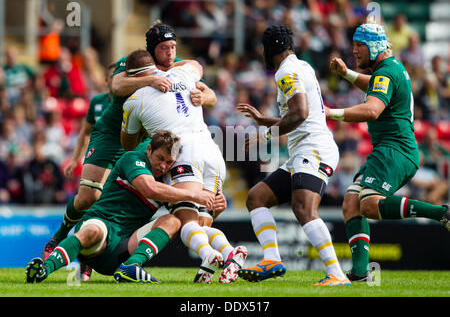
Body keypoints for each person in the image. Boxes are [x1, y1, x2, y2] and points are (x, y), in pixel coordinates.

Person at [39, 22, 210, 268]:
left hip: (143, 137)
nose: (170, 52)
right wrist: (149, 81)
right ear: (151, 48)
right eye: (164, 47)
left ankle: (101, 250)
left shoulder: (177, 65)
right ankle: (61, 234)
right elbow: (117, 86)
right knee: (89, 196)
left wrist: (203, 96)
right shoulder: (133, 61)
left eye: (172, 47)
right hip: (111, 133)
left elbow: (205, 84)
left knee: (150, 189)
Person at [326, 21, 450, 282]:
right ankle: (360, 273)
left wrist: (330, 113)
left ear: (375, 47)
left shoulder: (386, 72)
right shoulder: (388, 70)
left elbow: (372, 109)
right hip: (390, 150)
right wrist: (348, 73)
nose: (355, 50)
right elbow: (374, 85)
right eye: (354, 45)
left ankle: (442, 214)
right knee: (351, 204)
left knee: (369, 205)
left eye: (360, 45)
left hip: (395, 150)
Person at [121, 50, 247, 284]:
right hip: (213, 150)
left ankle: (212, 255)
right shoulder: (184, 73)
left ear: (131, 75)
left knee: (184, 220)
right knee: (201, 222)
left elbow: (127, 143)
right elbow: (197, 64)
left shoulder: (135, 100)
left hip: (184, 152)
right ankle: (230, 254)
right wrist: (204, 92)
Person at [236, 25, 349, 286]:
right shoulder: (302, 66)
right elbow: (301, 113)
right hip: (305, 148)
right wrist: (267, 121)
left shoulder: (286, 72)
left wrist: (264, 136)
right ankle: (272, 258)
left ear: (270, 49)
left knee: (304, 208)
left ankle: (336, 274)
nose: (261, 53)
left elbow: (300, 114)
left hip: (313, 149)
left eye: (263, 48)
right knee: (257, 198)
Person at [25, 130, 216, 284]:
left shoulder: (167, 181)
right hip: (100, 228)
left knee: (173, 220)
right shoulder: (133, 159)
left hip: (122, 248)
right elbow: (149, 189)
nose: (163, 166)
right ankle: (44, 270)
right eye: (160, 158)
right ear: (149, 149)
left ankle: (130, 267)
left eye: (169, 162)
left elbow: (194, 222)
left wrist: (214, 204)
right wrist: (194, 194)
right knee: (93, 230)